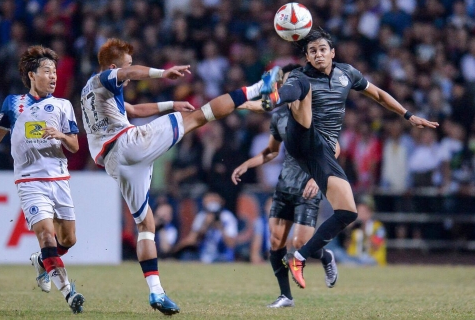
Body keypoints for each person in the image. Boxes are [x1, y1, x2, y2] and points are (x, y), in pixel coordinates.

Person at [80, 38, 278, 315]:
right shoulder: (105, 77)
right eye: (126, 66)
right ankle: (258, 89)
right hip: (128, 145)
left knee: (146, 224)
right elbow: (128, 74)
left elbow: (134, 111)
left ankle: (156, 292)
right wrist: (163, 73)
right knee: (200, 117)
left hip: (115, 162)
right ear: (113, 67)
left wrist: (171, 103)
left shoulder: (89, 92)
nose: (129, 70)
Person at [259, 28, 438, 289]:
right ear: (307, 57)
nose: (318, 55)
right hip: (304, 139)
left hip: (324, 151)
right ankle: (272, 94)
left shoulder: (347, 74)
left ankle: (299, 257)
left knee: (348, 212)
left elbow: (377, 94)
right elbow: (293, 89)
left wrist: (408, 115)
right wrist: (274, 97)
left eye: (322, 50)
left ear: (333, 53)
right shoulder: (301, 75)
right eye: (312, 51)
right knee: (297, 88)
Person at [0, 46, 84, 314]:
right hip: (29, 181)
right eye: (47, 71)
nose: (53, 77)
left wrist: (60, 135)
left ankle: (41, 261)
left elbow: (74, 145)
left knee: (68, 240)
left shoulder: (62, 105)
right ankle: (69, 293)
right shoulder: (13, 103)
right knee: (46, 236)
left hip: (59, 179)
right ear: (31, 74)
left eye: (55, 72)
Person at [232, 64, 339, 308]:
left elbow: (334, 149)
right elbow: (271, 152)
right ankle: (285, 296)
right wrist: (248, 164)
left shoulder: (316, 116)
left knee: (301, 244)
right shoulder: (280, 116)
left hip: (308, 187)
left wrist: (317, 178)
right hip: (285, 186)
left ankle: (325, 256)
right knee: (276, 242)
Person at [173, 192, 238, 263]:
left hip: (221, 256)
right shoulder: (201, 216)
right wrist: (205, 225)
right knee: (187, 256)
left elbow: (231, 244)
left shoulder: (228, 217)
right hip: (203, 255)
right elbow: (193, 240)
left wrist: (220, 227)